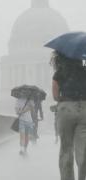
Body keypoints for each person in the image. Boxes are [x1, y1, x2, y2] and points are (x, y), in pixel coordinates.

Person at [50, 50, 86, 180]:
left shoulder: (59, 73)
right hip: (84, 110)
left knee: (66, 148)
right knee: (83, 149)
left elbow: (55, 96)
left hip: (66, 109)